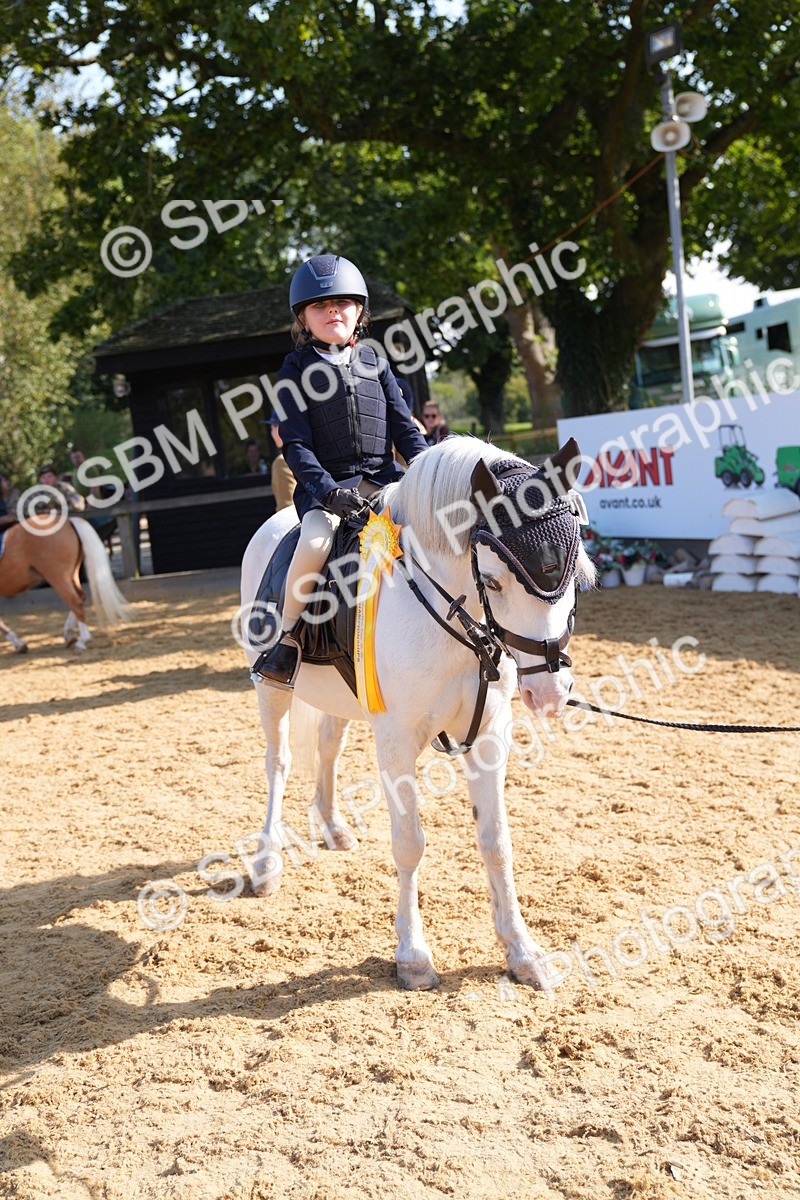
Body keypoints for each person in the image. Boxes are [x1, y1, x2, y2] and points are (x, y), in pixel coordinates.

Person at [253, 253, 428, 688]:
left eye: (343, 303)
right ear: (304, 320)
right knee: (314, 542)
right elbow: (294, 443)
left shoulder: (376, 362)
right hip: (330, 491)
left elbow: (405, 429)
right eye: (320, 306)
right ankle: (288, 638)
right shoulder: (294, 370)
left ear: (359, 312)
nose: (333, 311)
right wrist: (327, 492)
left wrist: (426, 472)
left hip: (387, 483)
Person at [266, 413, 296, 512]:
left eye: (273, 426)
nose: (272, 433)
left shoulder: (282, 462)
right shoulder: (310, 452)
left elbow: (286, 507)